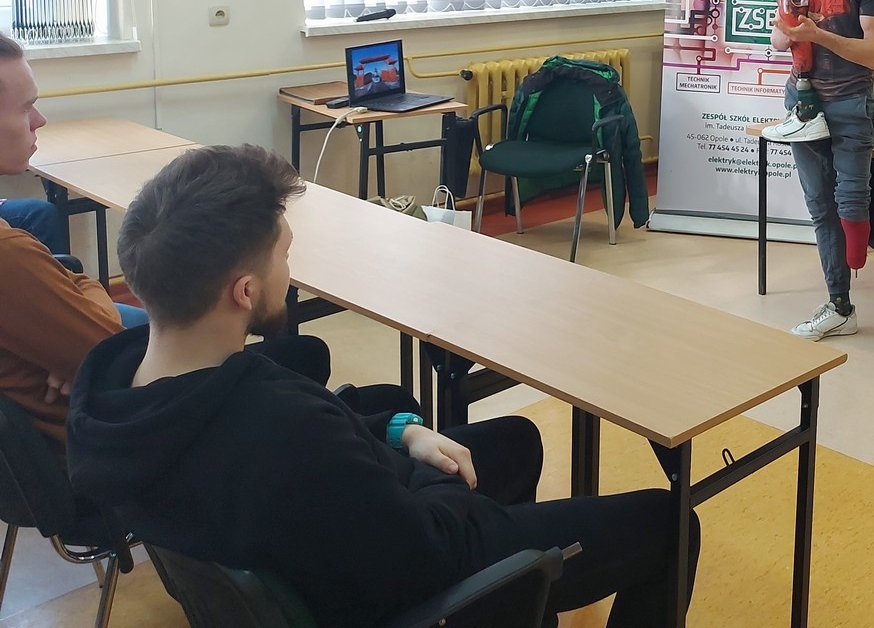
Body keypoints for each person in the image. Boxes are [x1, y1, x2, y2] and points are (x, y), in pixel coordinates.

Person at [68, 144, 698, 628]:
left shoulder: (117, 389)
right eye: (283, 255)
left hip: (334, 535)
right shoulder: (278, 431)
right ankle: (511, 588)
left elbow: (322, 428)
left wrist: (402, 432)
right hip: (405, 574)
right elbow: (426, 551)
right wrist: (431, 477)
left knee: (515, 439)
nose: (291, 270)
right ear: (245, 291)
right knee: (670, 523)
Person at [0, 32, 162, 452]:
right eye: (25, 108)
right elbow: (115, 352)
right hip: (98, 443)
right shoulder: (9, 256)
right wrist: (83, 300)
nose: (39, 120)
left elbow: (71, 286)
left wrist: (72, 321)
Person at [764, 0, 874, 341]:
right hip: (803, 103)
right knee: (820, 207)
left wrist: (819, 35)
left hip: (852, 103)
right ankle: (840, 305)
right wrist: (791, 28)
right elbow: (778, 41)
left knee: (850, 203)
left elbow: (873, 54)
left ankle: (851, 270)